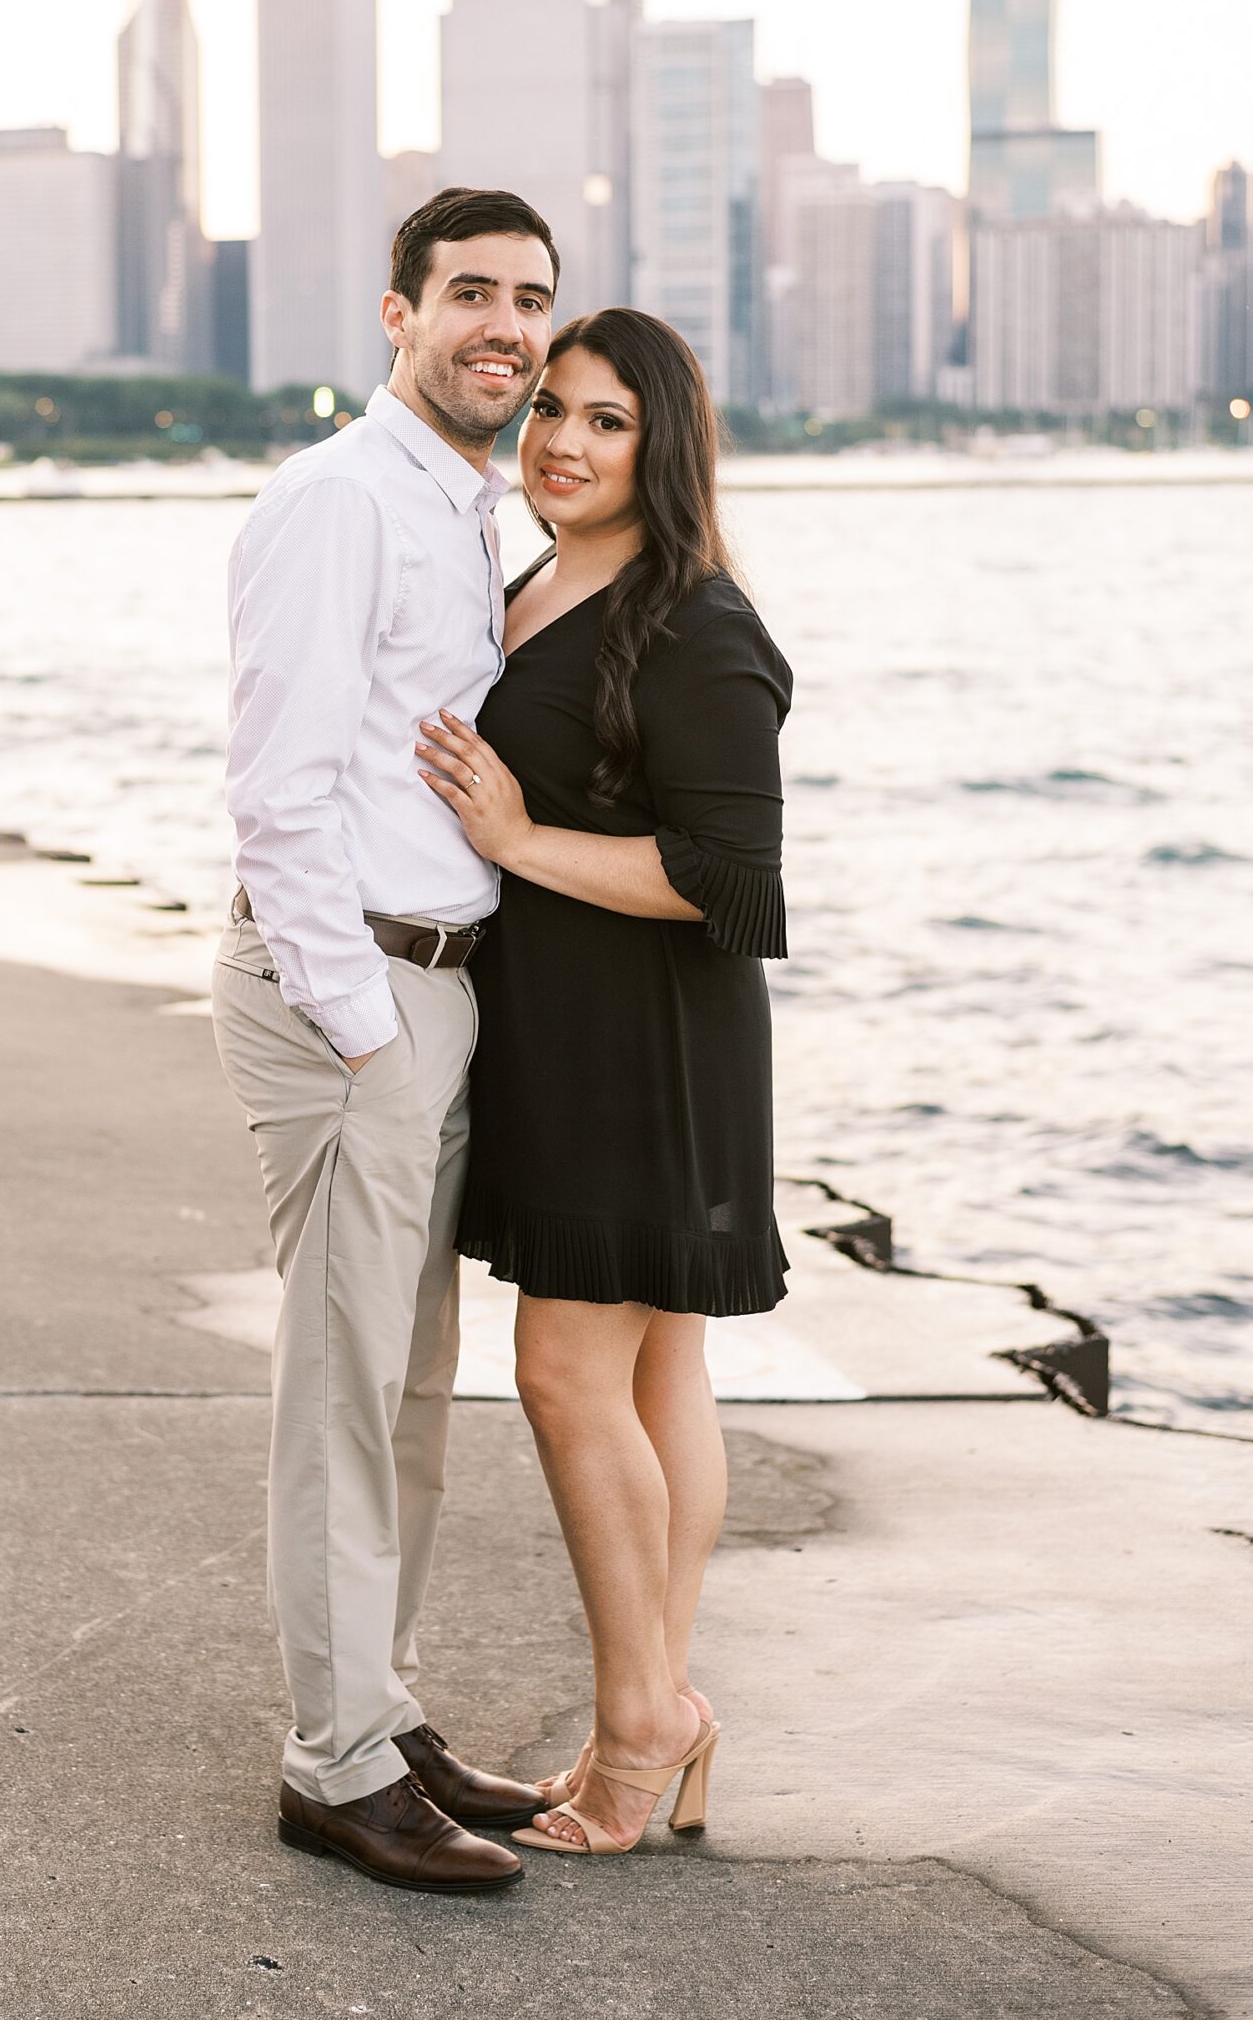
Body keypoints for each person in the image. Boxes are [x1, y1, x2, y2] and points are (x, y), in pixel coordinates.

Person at [211, 187, 559, 1894]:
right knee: (343, 1393)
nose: (504, 326)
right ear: (396, 314)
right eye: (469, 294)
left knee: (407, 1384)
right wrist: (360, 1030)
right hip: (352, 988)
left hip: (433, 984)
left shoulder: (467, 507)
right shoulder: (337, 500)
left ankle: (380, 1705)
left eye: (529, 301)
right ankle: (331, 1759)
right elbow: (274, 793)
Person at [415, 305, 792, 1861]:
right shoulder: (536, 581)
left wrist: (512, 843)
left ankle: (641, 1725)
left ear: (665, 447)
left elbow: (734, 881)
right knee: (653, 1380)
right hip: (569, 1028)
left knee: (571, 1377)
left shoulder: (699, 623)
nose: (562, 442)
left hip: (646, 1044)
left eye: (605, 421)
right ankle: (656, 1712)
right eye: (552, 410)